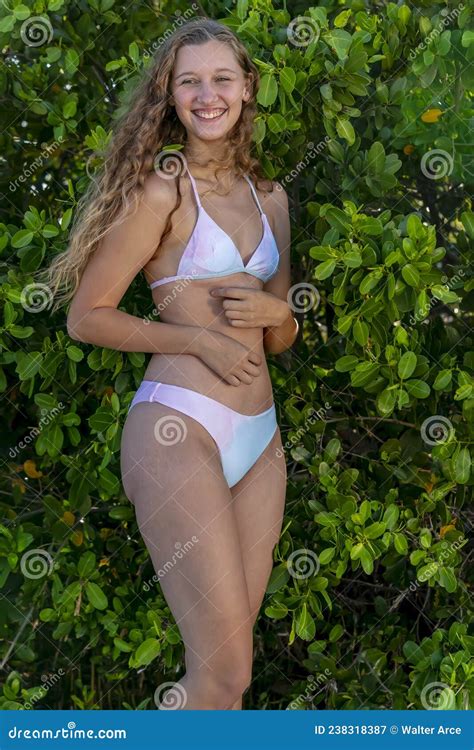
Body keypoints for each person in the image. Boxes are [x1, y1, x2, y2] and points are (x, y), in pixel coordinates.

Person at [44, 17, 298, 710]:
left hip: (261, 438)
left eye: (222, 78)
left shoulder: (272, 198)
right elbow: (86, 315)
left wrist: (283, 316)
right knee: (221, 672)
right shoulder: (163, 191)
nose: (207, 94)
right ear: (171, 94)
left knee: (230, 675)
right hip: (178, 428)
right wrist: (197, 341)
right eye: (190, 81)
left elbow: (279, 334)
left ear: (247, 88)